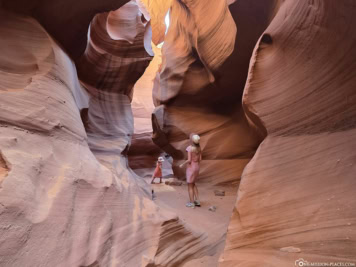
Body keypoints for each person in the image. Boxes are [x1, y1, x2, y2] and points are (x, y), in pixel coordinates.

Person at [179, 134, 202, 208]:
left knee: (190, 186)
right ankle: (197, 201)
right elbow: (200, 159)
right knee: (194, 184)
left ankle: (192, 203)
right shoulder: (199, 148)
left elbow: (189, 160)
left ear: (192, 141)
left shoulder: (189, 148)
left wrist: (182, 164)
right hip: (197, 166)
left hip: (191, 167)